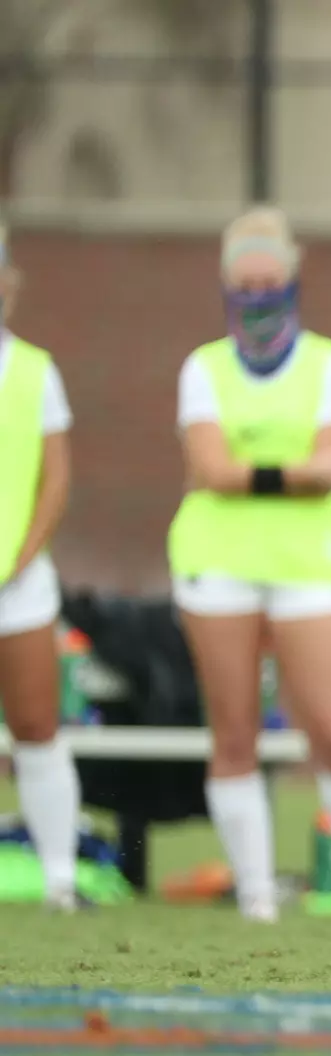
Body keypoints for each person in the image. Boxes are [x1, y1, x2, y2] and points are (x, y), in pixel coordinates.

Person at [166, 207, 331, 924]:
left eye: (268, 279)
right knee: (236, 732)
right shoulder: (204, 368)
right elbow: (210, 468)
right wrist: (291, 469)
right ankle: (253, 894)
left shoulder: (328, 363)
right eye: (243, 282)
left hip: (307, 567)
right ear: (224, 284)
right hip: (216, 564)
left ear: (292, 277)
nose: (256, 294)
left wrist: (257, 469)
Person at [0, 221, 82, 912]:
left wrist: (19, 559)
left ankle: (59, 877)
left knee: (37, 727)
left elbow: (54, 479)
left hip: (18, 585)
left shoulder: (35, 370)